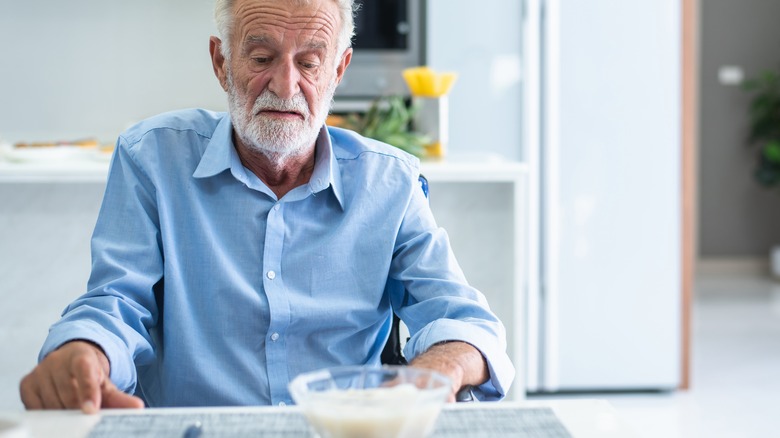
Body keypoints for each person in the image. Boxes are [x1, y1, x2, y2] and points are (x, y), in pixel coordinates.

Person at [19, 0, 514, 412]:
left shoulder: (391, 183)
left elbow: (467, 323)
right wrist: (85, 350)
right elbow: (116, 303)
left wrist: (433, 373)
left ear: (338, 70)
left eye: (309, 62)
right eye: (260, 58)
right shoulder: (151, 158)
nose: (285, 85)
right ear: (221, 62)